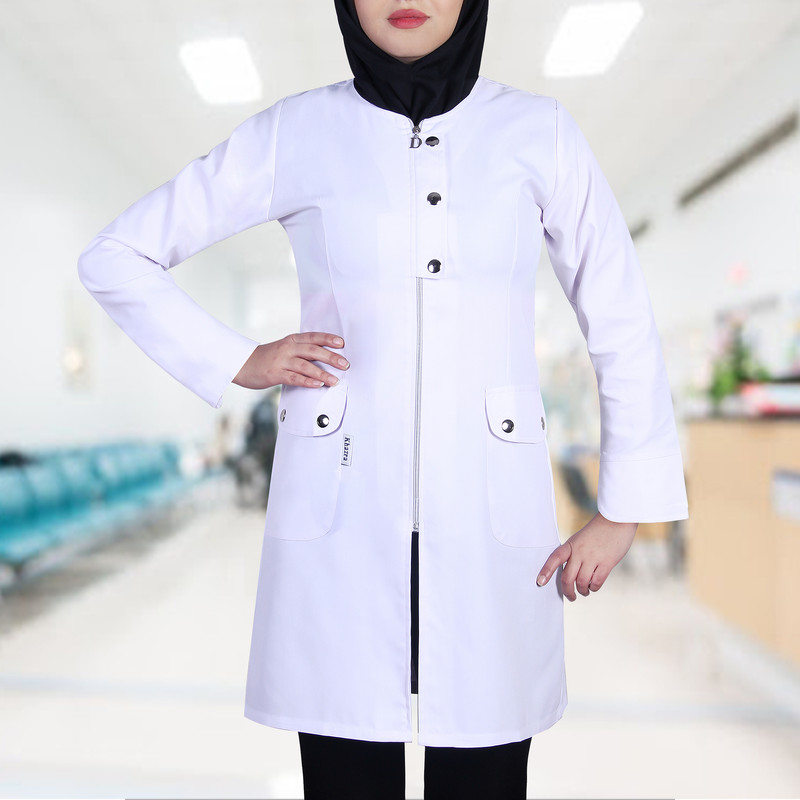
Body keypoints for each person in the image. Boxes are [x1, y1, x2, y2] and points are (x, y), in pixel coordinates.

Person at [77, 1, 690, 797]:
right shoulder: (296, 132)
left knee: (484, 774)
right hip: (341, 515)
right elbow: (116, 255)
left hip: (488, 520)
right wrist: (238, 360)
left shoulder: (539, 133)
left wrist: (625, 507)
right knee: (345, 773)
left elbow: (621, 318)